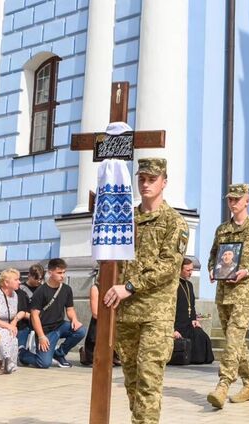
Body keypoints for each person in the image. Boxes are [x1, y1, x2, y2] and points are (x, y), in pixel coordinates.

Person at [103, 158, 189, 423]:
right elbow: (111, 254)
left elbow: (167, 267)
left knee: (149, 381)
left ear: (164, 182)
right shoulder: (127, 218)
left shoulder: (175, 223)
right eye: (142, 178)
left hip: (156, 314)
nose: (145, 184)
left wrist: (130, 286)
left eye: (152, 179)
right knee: (132, 381)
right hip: (126, 314)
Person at [206, 183, 249, 409]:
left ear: (247, 201)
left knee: (234, 339)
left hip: (243, 294)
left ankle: (223, 384)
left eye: (237, 199)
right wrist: (211, 269)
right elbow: (213, 255)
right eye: (230, 199)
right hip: (223, 293)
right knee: (235, 341)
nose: (233, 203)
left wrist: (247, 271)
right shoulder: (222, 229)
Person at [19, 258, 86, 369]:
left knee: (80, 331)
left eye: (64, 272)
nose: (62, 276)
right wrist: (41, 336)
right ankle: (23, 354)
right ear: (50, 273)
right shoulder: (41, 291)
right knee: (44, 363)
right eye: (59, 273)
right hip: (45, 330)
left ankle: (59, 354)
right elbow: (34, 315)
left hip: (60, 325)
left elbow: (70, 309)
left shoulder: (66, 289)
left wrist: (74, 319)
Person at [174, 258, 213, 364]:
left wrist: (195, 320)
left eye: (192, 270)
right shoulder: (173, 285)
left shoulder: (189, 285)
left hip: (188, 324)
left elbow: (192, 305)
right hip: (177, 325)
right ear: (179, 269)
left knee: (202, 337)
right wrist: (172, 329)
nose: (191, 273)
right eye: (188, 270)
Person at [79, 279, 121, 366]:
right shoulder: (96, 288)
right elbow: (95, 313)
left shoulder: (118, 288)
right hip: (100, 321)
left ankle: (113, 355)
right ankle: (87, 354)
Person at [0, 268, 22, 374]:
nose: (19, 282)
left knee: (12, 336)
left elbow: (14, 314)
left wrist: (13, 323)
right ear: (6, 282)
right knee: (4, 334)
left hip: (6, 324)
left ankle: (9, 363)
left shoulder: (14, 295)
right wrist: (8, 326)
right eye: (16, 279)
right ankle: (5, 361)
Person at [15, 264, 45, 348]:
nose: (38, 281)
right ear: (29, 275)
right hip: (23, 325)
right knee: (20, 350)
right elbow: (18, 309)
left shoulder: (43, 289)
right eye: (36, 278)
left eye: (41, 279)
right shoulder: (20, 289)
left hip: (40, 325)